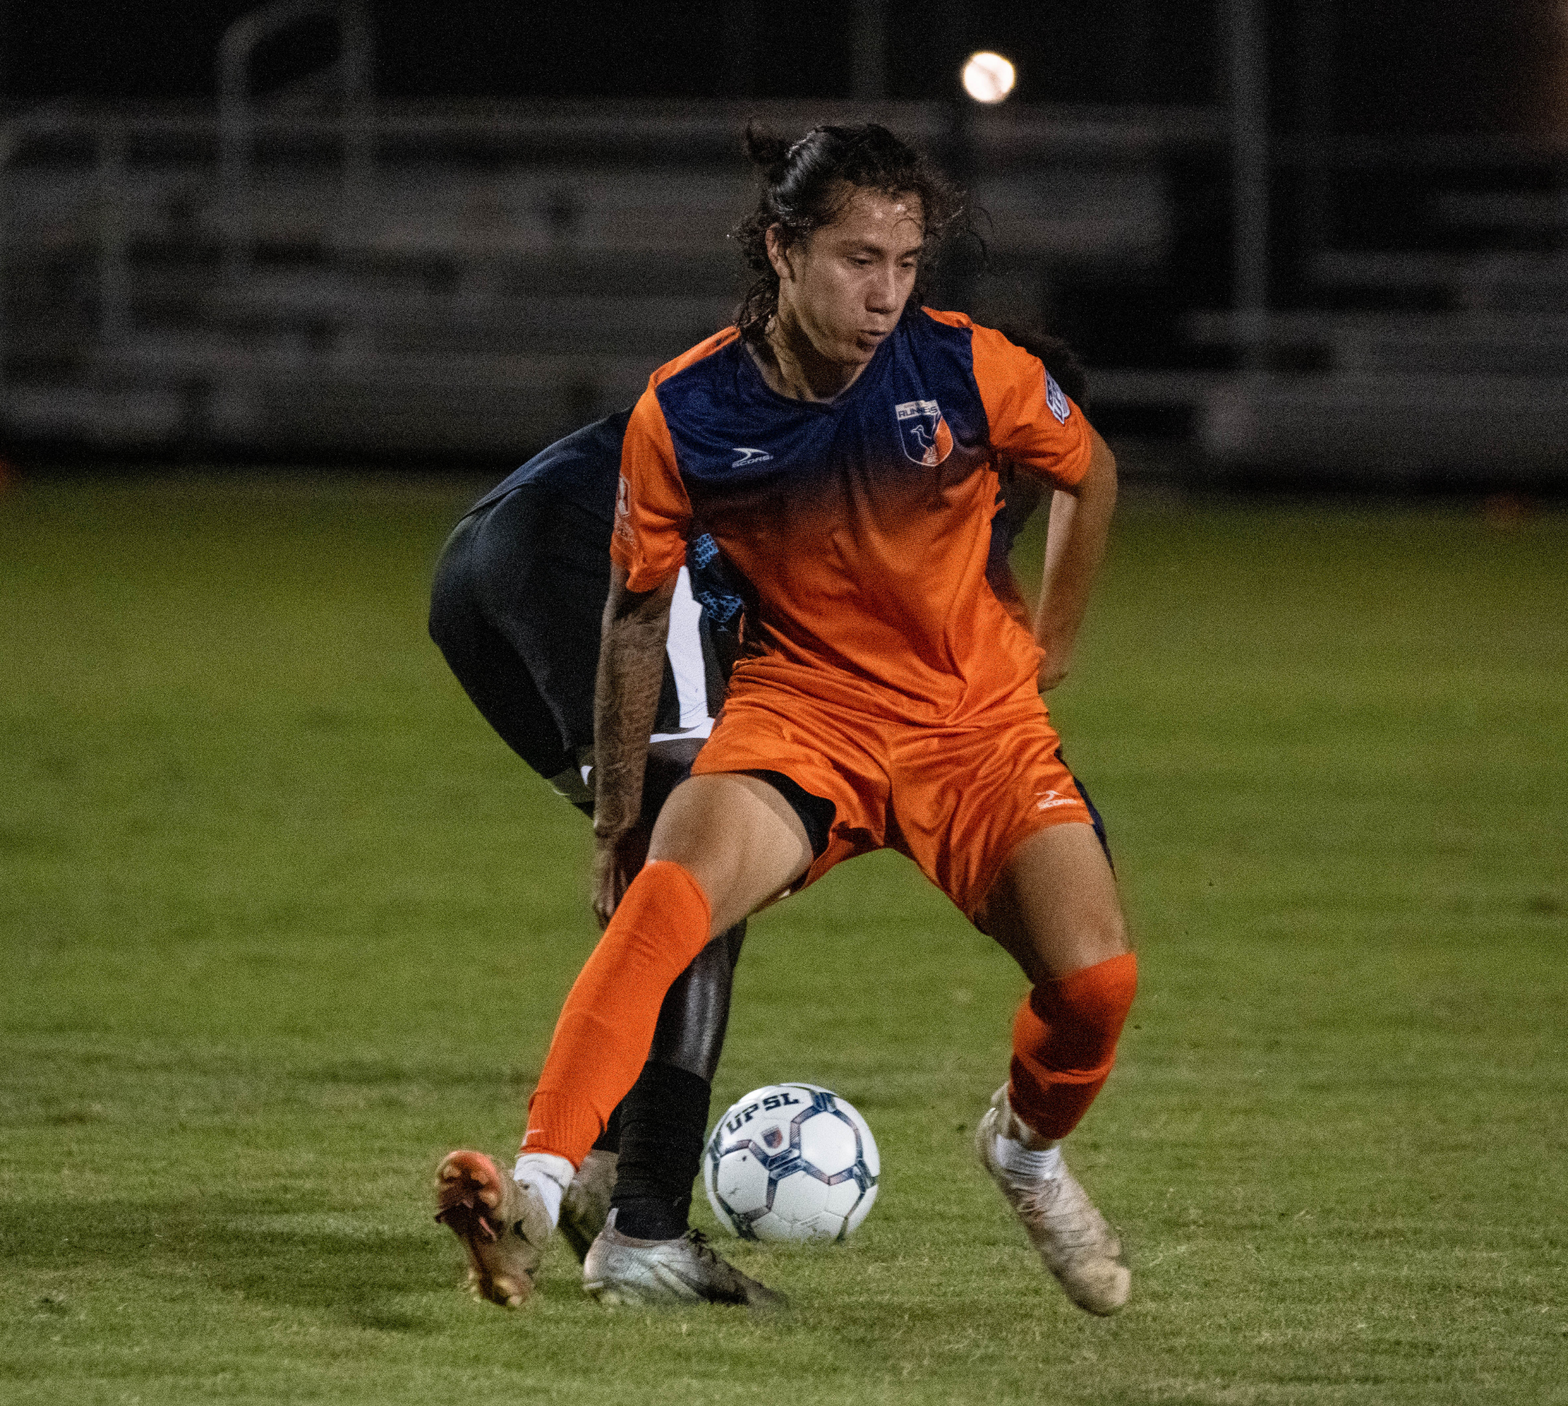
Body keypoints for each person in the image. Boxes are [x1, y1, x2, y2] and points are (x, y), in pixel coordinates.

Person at [435, 123, 1136, 1316]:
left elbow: (1091, 469)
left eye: (908, 263)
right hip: (801, 714)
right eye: (860, 259)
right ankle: (542, 1193)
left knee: (1096, 985)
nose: (886, 293)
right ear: (782, 247)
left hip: (975, 734)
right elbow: (633, 612)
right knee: (666, 895)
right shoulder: (688, 407)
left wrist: (1050, 646)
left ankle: (1022, 1149)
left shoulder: (968, 367)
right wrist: (618, 816)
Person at [426, 411, 778, 1306]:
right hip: (592, 551)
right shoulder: (921, 428)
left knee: (674, 872)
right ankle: (644, 1218)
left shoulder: (840, 380)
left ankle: (584, 1178)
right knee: (702, 868)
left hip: (476, 564)